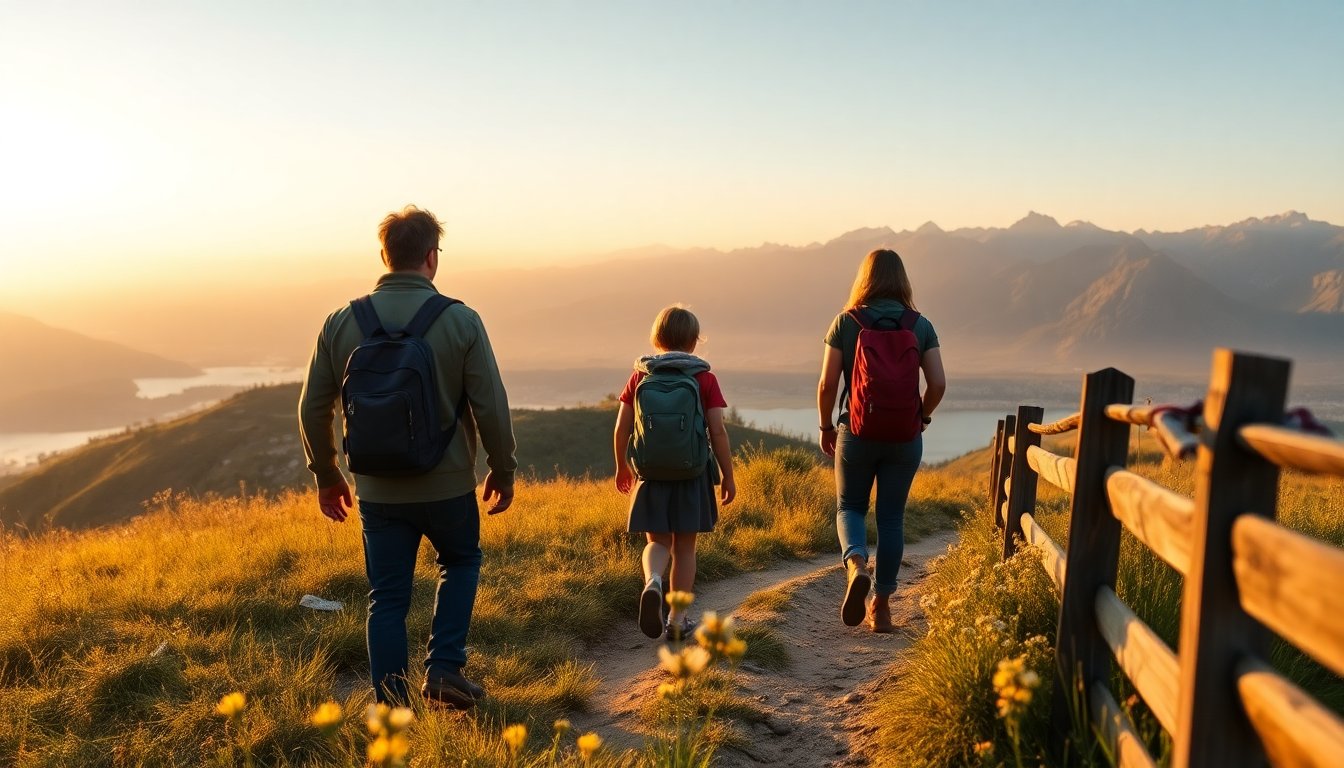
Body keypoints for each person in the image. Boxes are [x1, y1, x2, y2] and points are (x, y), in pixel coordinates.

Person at [298, 205, 517, 707]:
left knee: (388, 597)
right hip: (447, 484)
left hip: (377, 490)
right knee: (460, 561)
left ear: (384, 255)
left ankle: (393, 706)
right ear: (431, 257)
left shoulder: (340, 322)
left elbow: (312, 407)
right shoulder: (460, 320)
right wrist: (502, 470)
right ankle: (444, 669)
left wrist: (326, 475)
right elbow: (491, 405)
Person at [817, 249, 946, 632]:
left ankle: (856, 563)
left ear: (864, 279)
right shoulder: (920, 325)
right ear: (902, 281)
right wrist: (921, 416)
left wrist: (825, 426)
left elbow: (827, 384)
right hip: (904, 436)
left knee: (850, 507)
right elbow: (937, 383)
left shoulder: (846, 322)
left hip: (856, 432)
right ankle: (883, 607)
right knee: (891, 518)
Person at [613, 306, 736, 640]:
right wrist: (728, 475)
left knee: (657, 541)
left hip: (650, 474)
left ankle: (652, 580)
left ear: (657, 338)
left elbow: (622, 427)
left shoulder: (640, 376)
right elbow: (717, 432)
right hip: (692, 473)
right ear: (694, 341)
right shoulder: (704, 378)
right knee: (685, 548)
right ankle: (677, 620)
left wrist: (622, 465)